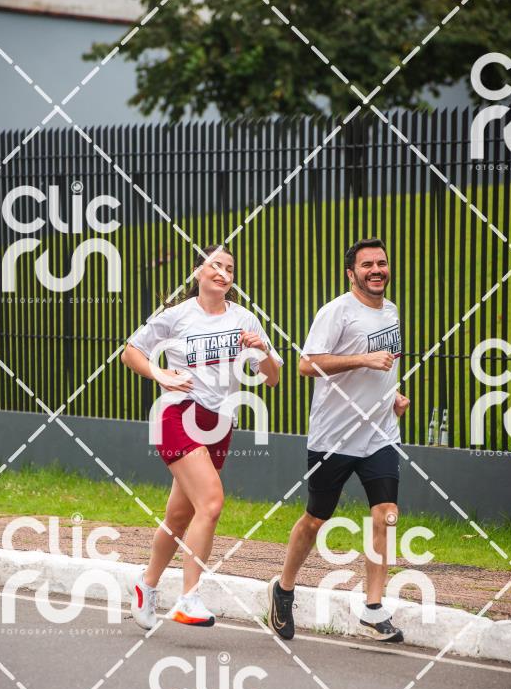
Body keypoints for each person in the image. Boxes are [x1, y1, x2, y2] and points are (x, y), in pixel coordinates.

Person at [121, 245, 283, 630]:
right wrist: (160, 374)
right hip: (179, 413)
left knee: (179, 516)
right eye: (215, 265)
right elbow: (130, 353)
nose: (223, 273)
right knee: (211, 502)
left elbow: (273, 378)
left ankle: (146, 585)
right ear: (198, 272)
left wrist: (262, 350)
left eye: (229, 268)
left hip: (219, 425)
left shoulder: (244, 319)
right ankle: (189, 597)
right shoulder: (177, 316)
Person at [268, 238, 410, 643]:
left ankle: (373, 607)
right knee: (316, 518)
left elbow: (385, 366)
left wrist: (393, 395)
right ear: (351, 273)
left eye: (382, 262)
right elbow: (306, 364)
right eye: (367, 265)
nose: (376, 270)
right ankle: (283, 589)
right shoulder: (336, 312)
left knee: (386, 513)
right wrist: (363, 359)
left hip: (380, 434)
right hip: (335, 437)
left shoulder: (391, 311)